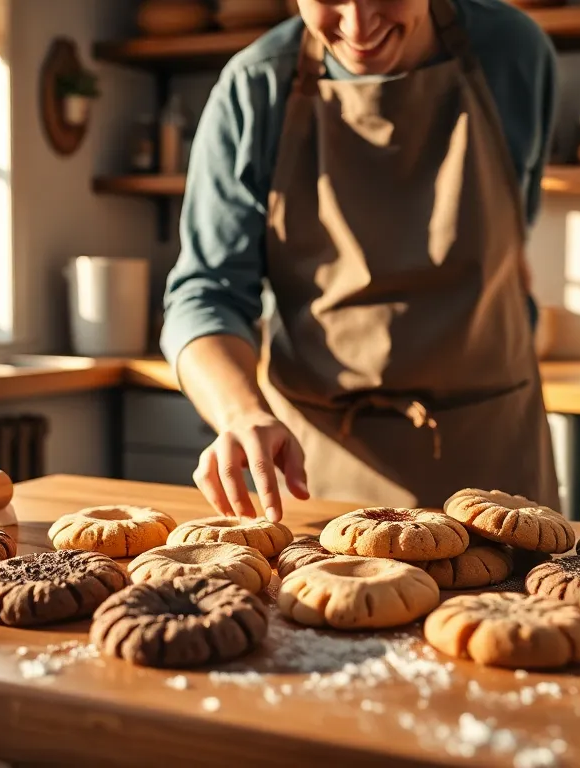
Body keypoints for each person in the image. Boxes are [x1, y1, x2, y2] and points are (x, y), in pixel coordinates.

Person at [161, 0, 559, 522]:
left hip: (496, 457)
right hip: (318, 469)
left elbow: (510, 236)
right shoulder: (255, 87)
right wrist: (241, 412)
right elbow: (205, 293)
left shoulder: (513, 52)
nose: (359, 25)